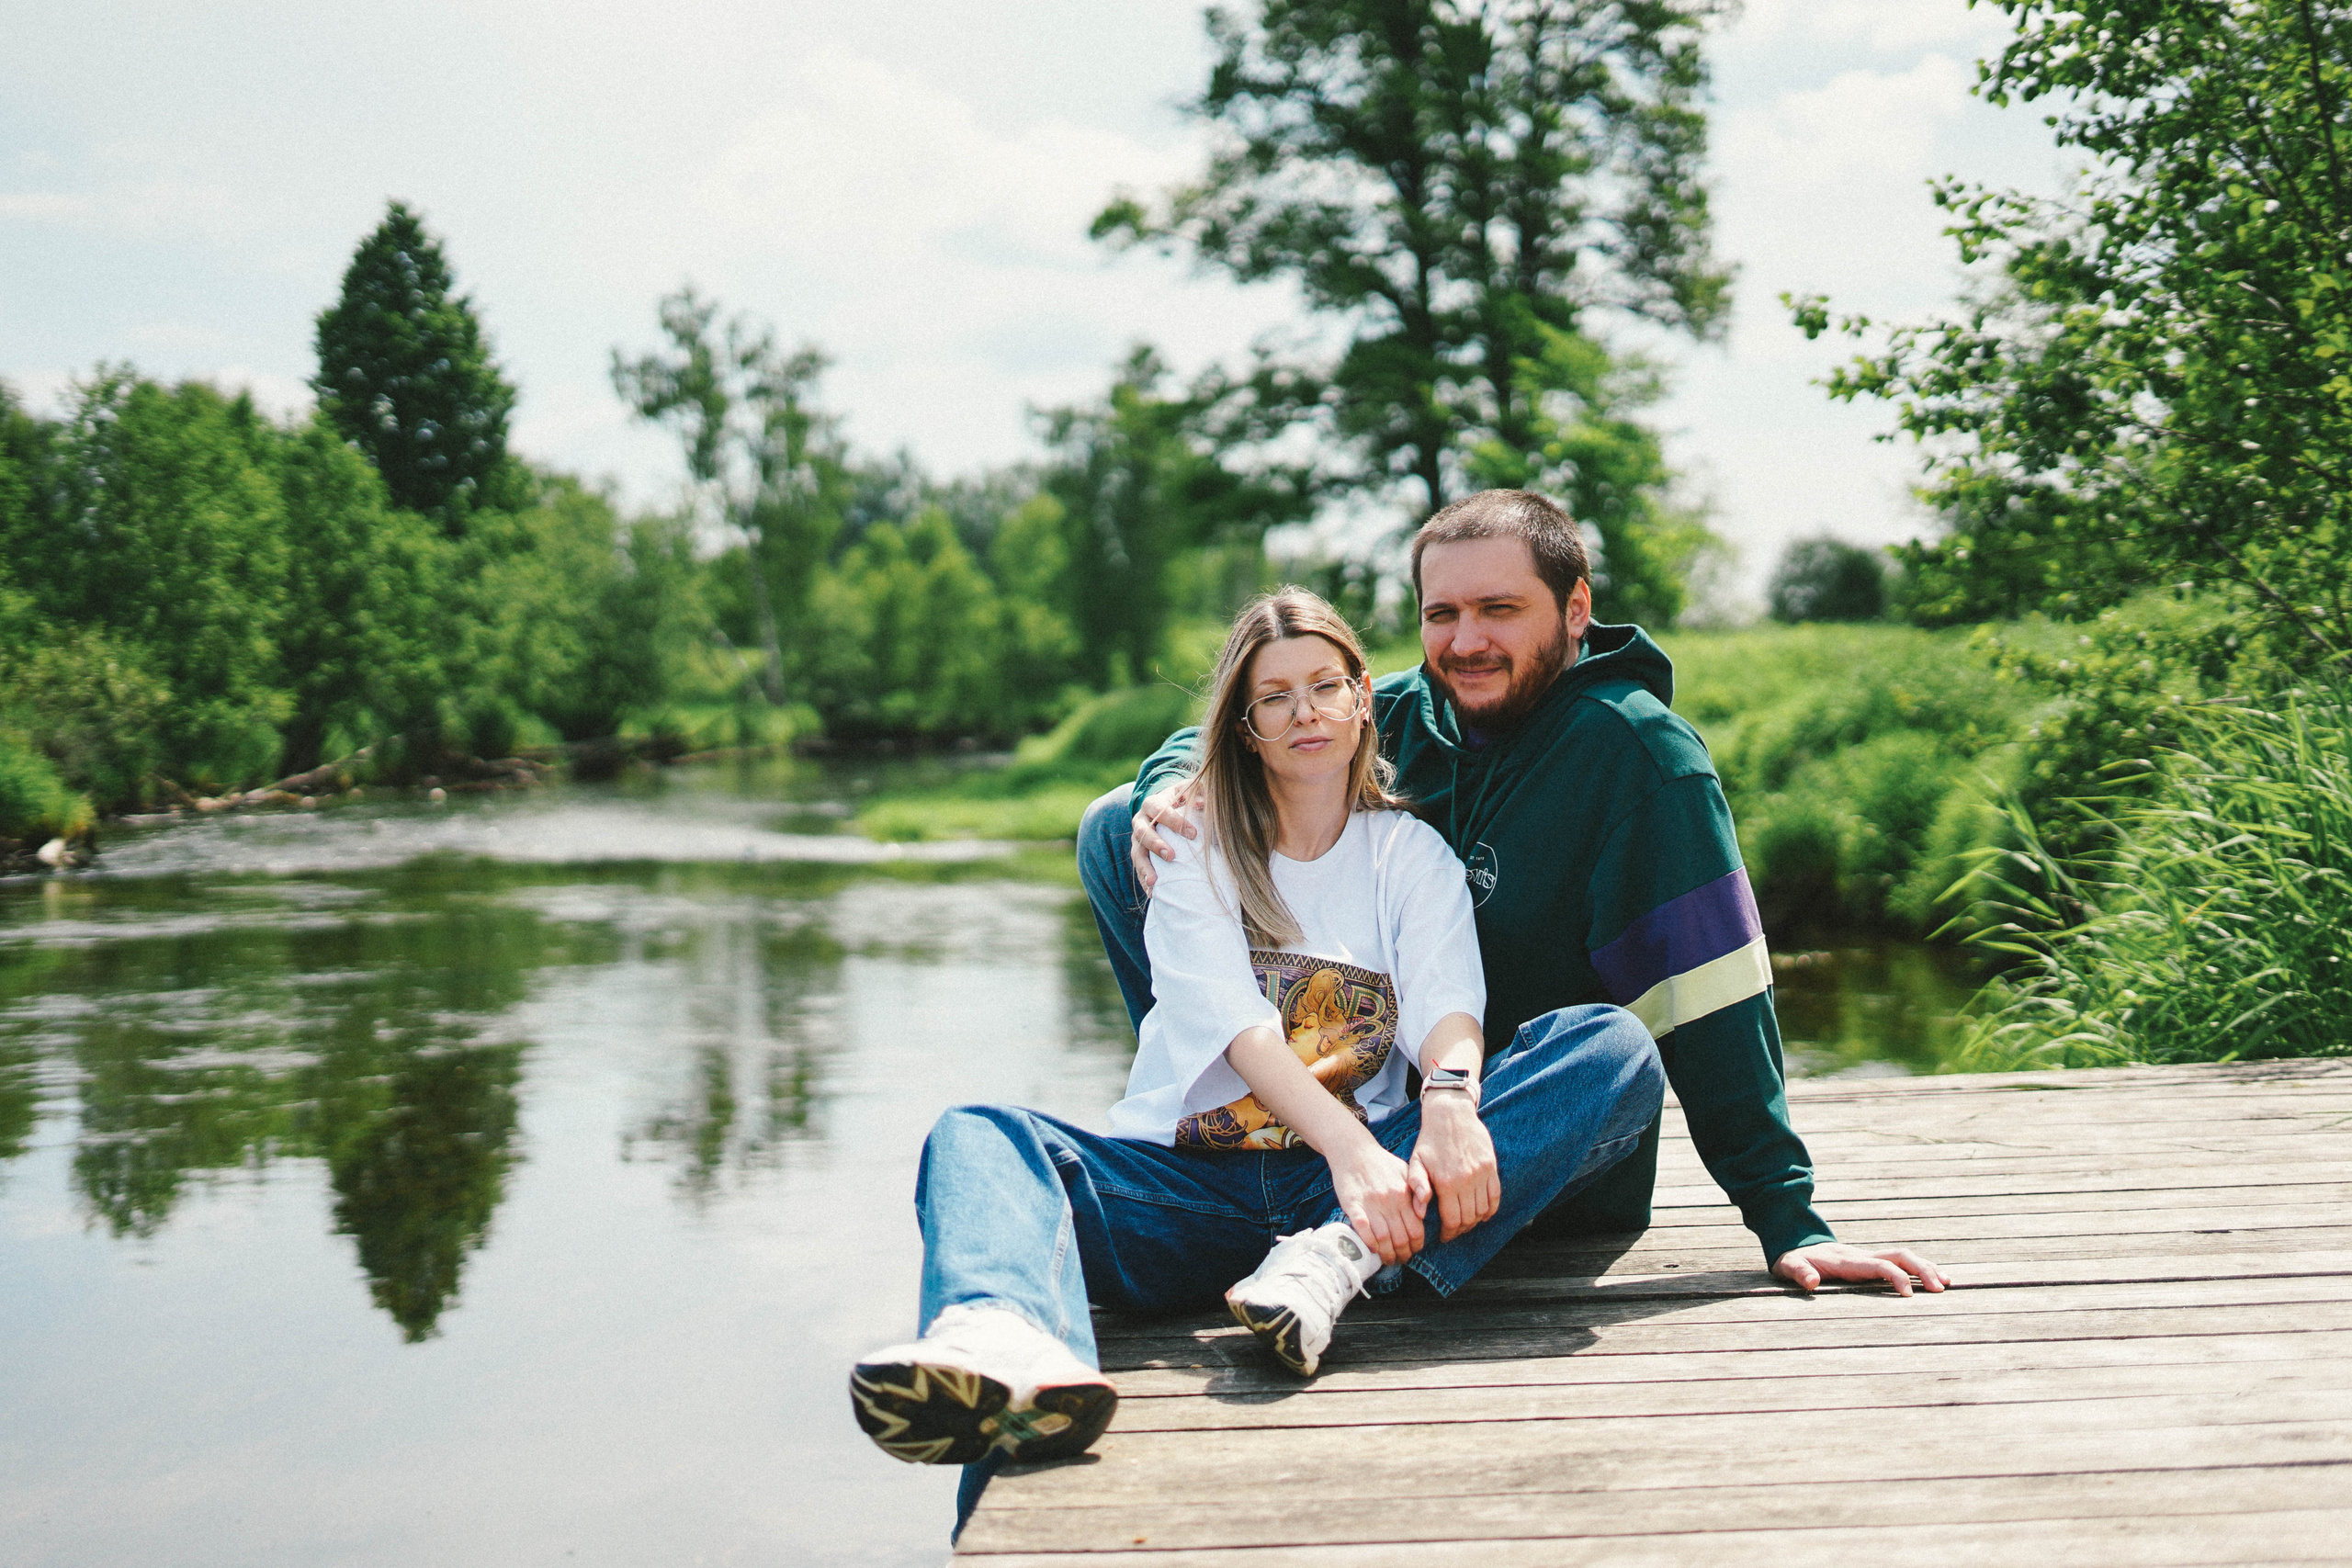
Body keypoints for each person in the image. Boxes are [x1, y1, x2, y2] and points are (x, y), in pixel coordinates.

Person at [849, 588, 1666, 1510]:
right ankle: (1002, 1340)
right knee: (978, 1137)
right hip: (1191, 1189)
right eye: (1273, 697)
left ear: (1364, 698)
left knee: (1614, 1049)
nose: (1304, 712)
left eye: (1323, 686)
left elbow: (1448, 1003)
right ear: (1245, 728)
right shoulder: (1192, 852)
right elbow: (1238, 1030)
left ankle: (1337, 1262)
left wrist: (1445, 1103)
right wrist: (1353, 1151)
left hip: (1353, 1202)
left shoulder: (1408, 855)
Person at [1086, 490, 1948, 1297]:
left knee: (1615, 1049)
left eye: (1499, 610)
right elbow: (1240, 719)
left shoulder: (1642, 760)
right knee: (1114, 827)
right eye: (1442, 615)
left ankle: (1344, 1247)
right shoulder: (1403, 714)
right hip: (1360, 1130)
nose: (1466, 642)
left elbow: (1716, 992)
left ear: (1575, 610)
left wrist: (1785, 1214)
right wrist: (1166, 786)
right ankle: (1227, 1146)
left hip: (1522, 1140)